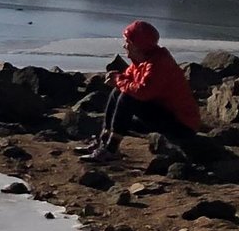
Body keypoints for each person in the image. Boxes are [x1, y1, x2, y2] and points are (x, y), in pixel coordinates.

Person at [84, 20, 203, 165]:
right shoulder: (142, 60)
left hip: (181, 125)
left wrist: (118, 80)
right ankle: (104, 141)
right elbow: (128, 80)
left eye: (127, 42)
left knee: (128, 96)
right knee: (118, 92)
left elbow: (143, 92)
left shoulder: (158, 63)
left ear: (137, 45)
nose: (124, 45)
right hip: (164, 115)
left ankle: (111, 149)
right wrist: (118, 79)